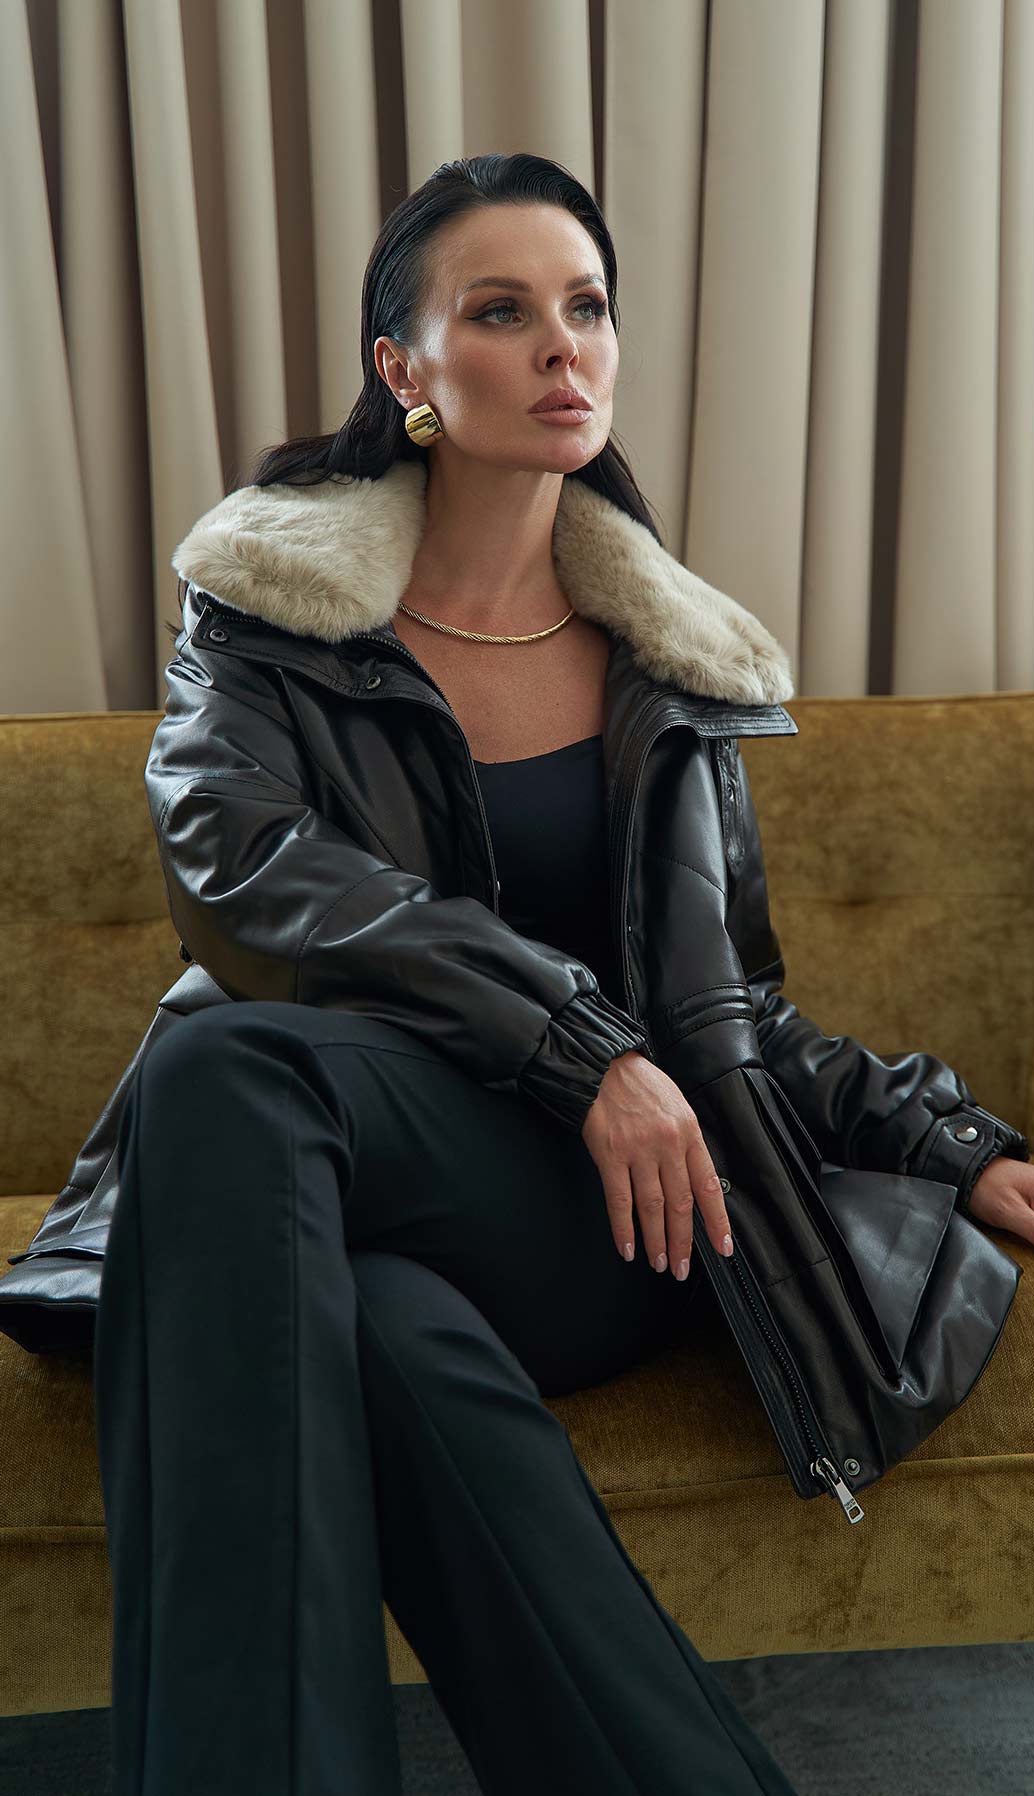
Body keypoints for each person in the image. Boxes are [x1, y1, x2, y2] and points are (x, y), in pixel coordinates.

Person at [93, 152, 801, 1795]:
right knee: (383, 1322)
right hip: (351, 1183)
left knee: (218, 1072)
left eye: (586, 306)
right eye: (499, 311)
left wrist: (955, 1147)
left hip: (596, 1217)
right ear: (400, 368)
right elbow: (242, 870)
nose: (562, 346)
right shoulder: (264, 624)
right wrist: (579, 1042)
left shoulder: (672, 668)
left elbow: (740, 1008)